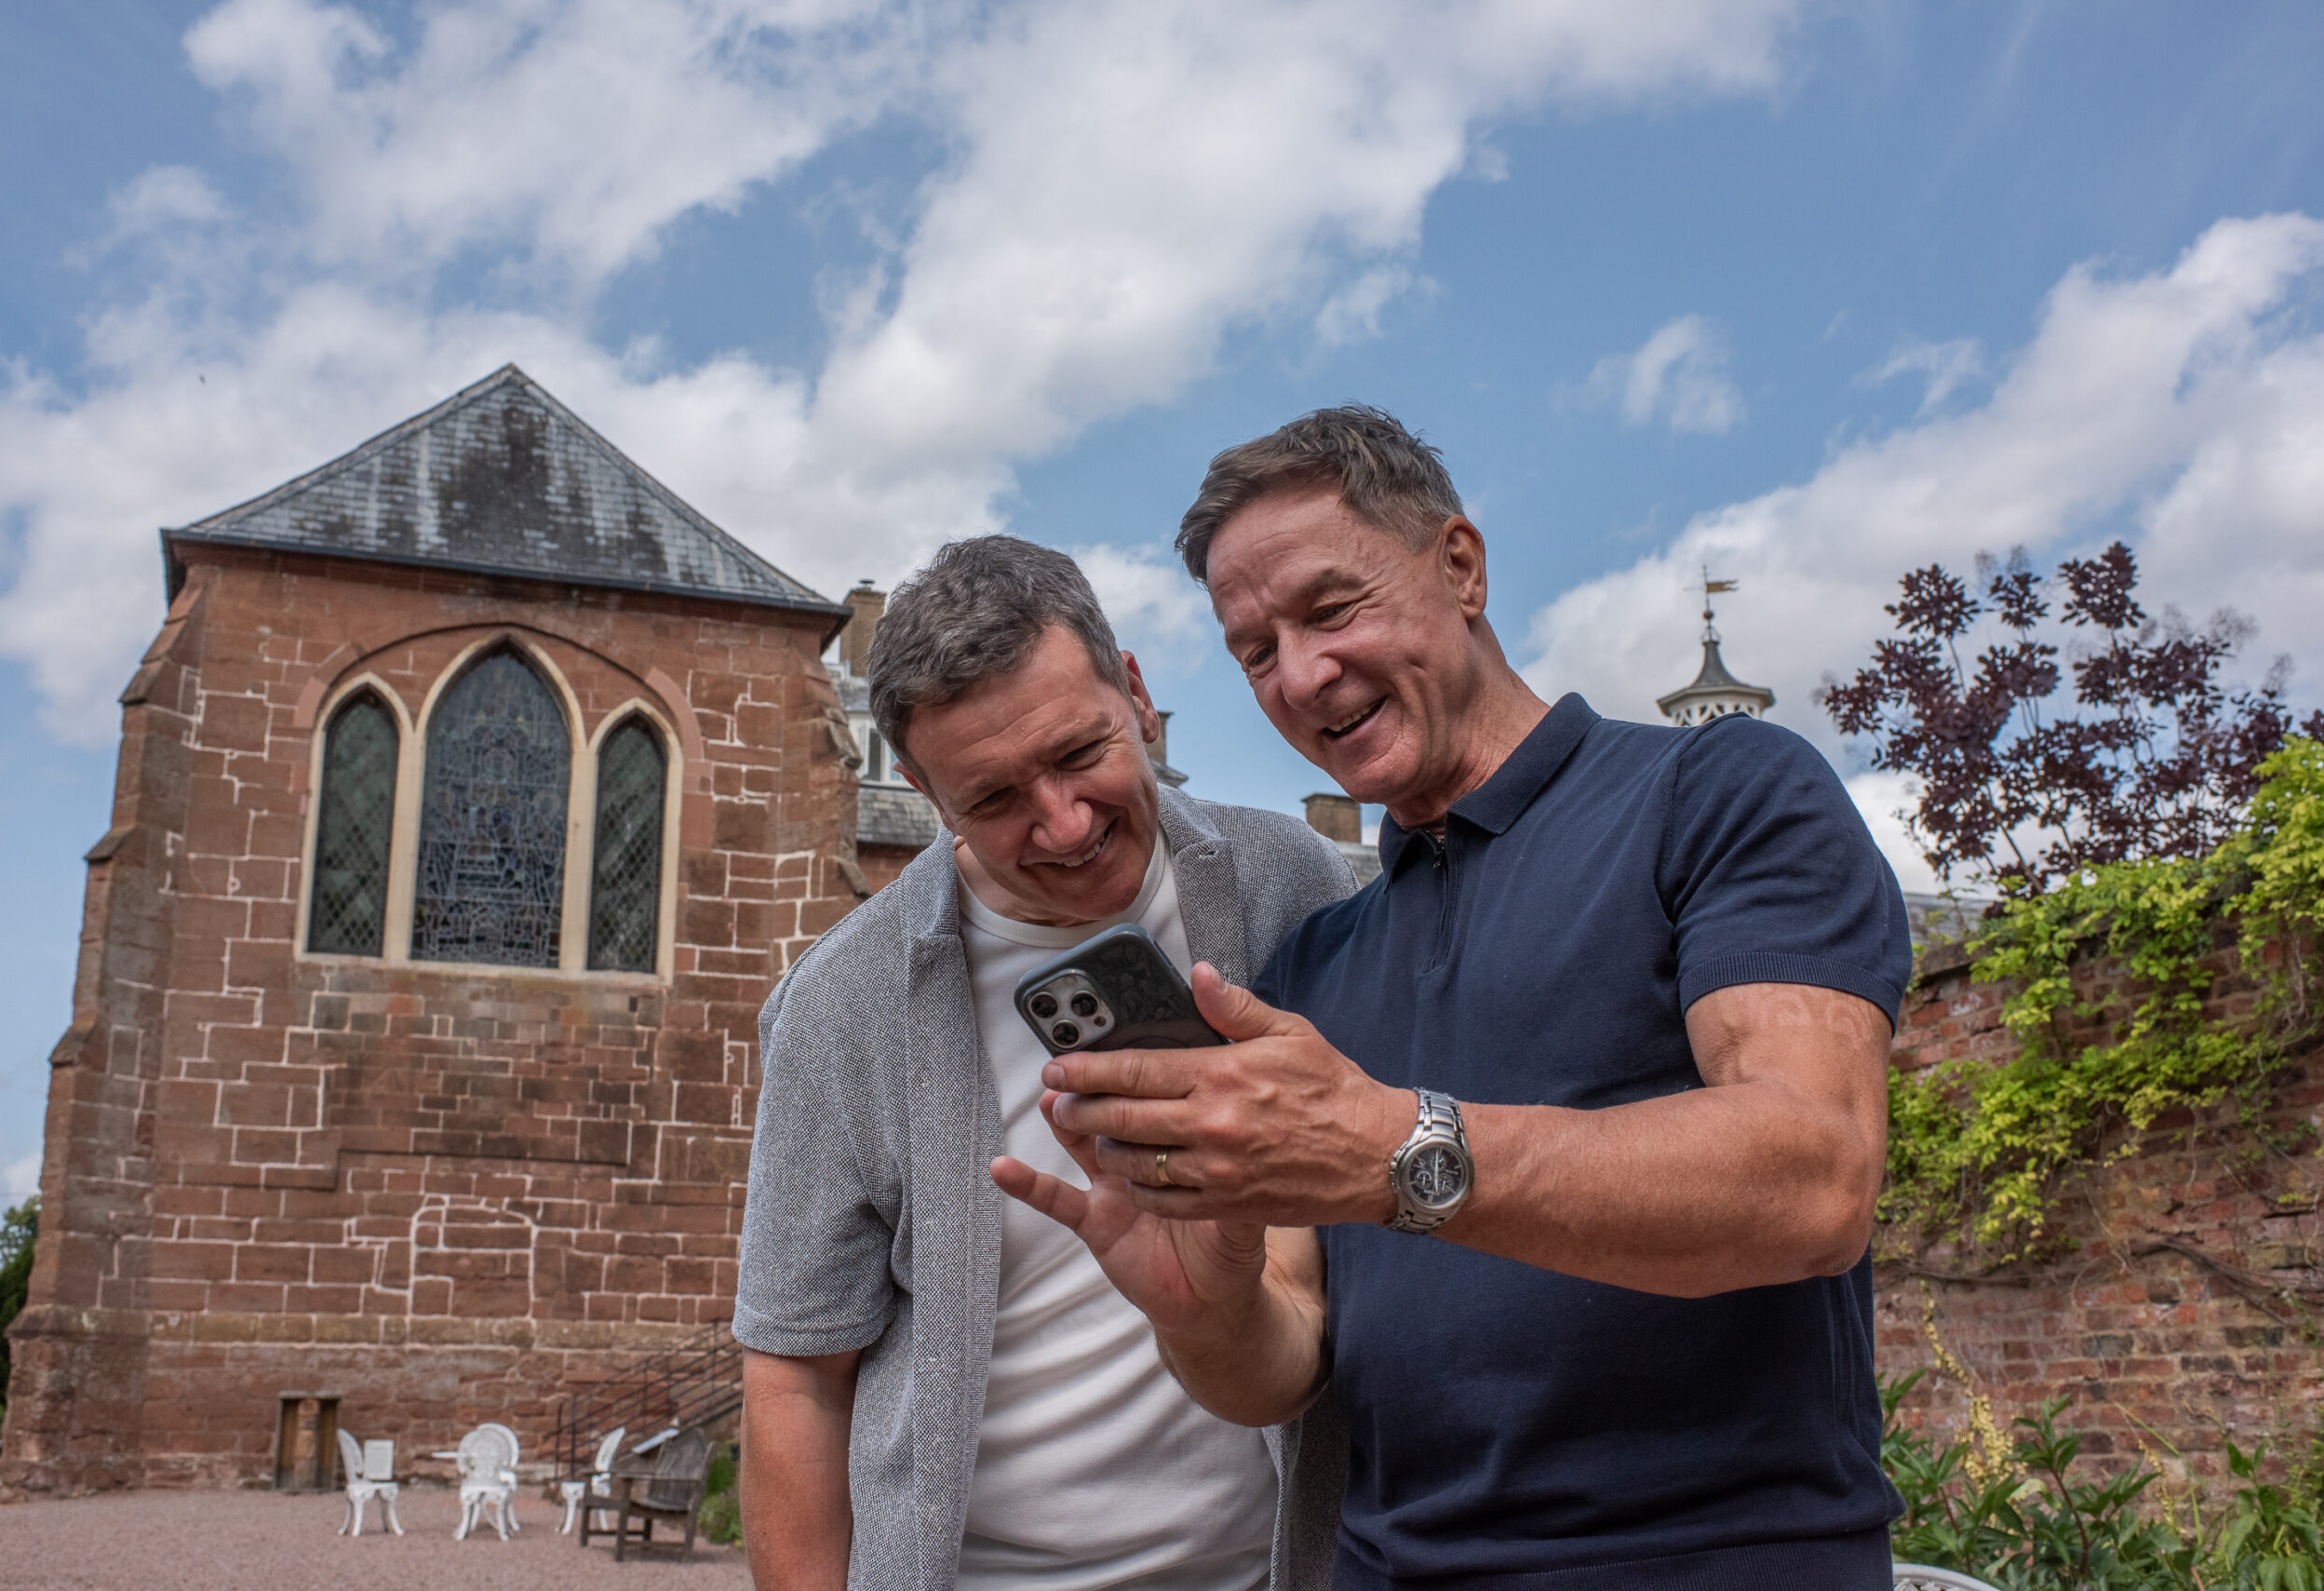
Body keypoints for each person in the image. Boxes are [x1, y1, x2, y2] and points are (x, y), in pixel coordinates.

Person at [996, 409, 1913, 1589]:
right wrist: (1201, 1306)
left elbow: (1813, 1172)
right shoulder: (1316, 957)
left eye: (1330, 609)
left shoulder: (1719, 790)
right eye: (1255, 650)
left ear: (1461, 566)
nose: (1302, 673)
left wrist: (1394, 1148)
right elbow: (1281, 1361)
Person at [733, 535, 1358, 1591]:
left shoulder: (1288, 881)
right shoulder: (841, 1003)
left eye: (1079, 754)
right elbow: (796, 1376)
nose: (1063, 824)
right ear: (931, 801)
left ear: (1136, 691)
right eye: (993, 799)